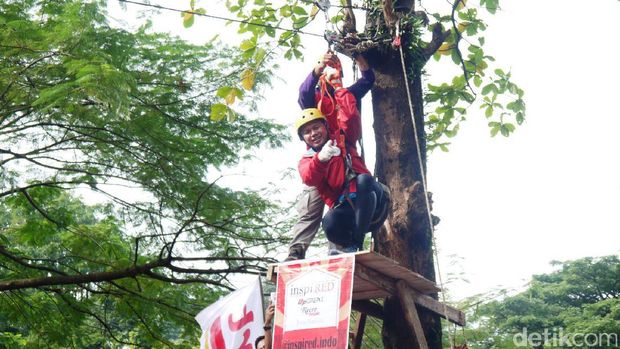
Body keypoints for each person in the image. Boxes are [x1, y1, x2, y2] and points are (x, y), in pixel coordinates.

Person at [285, 51, 376, 260]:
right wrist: (317, 69)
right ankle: (296, 251)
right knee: (310, 207)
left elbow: (368, 81)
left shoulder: (344, 94)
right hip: (320, 160)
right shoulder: (313, 102)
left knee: (342, 203)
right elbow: (303, 92)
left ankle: (340, 251)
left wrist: (360, 60)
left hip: (342, 156)